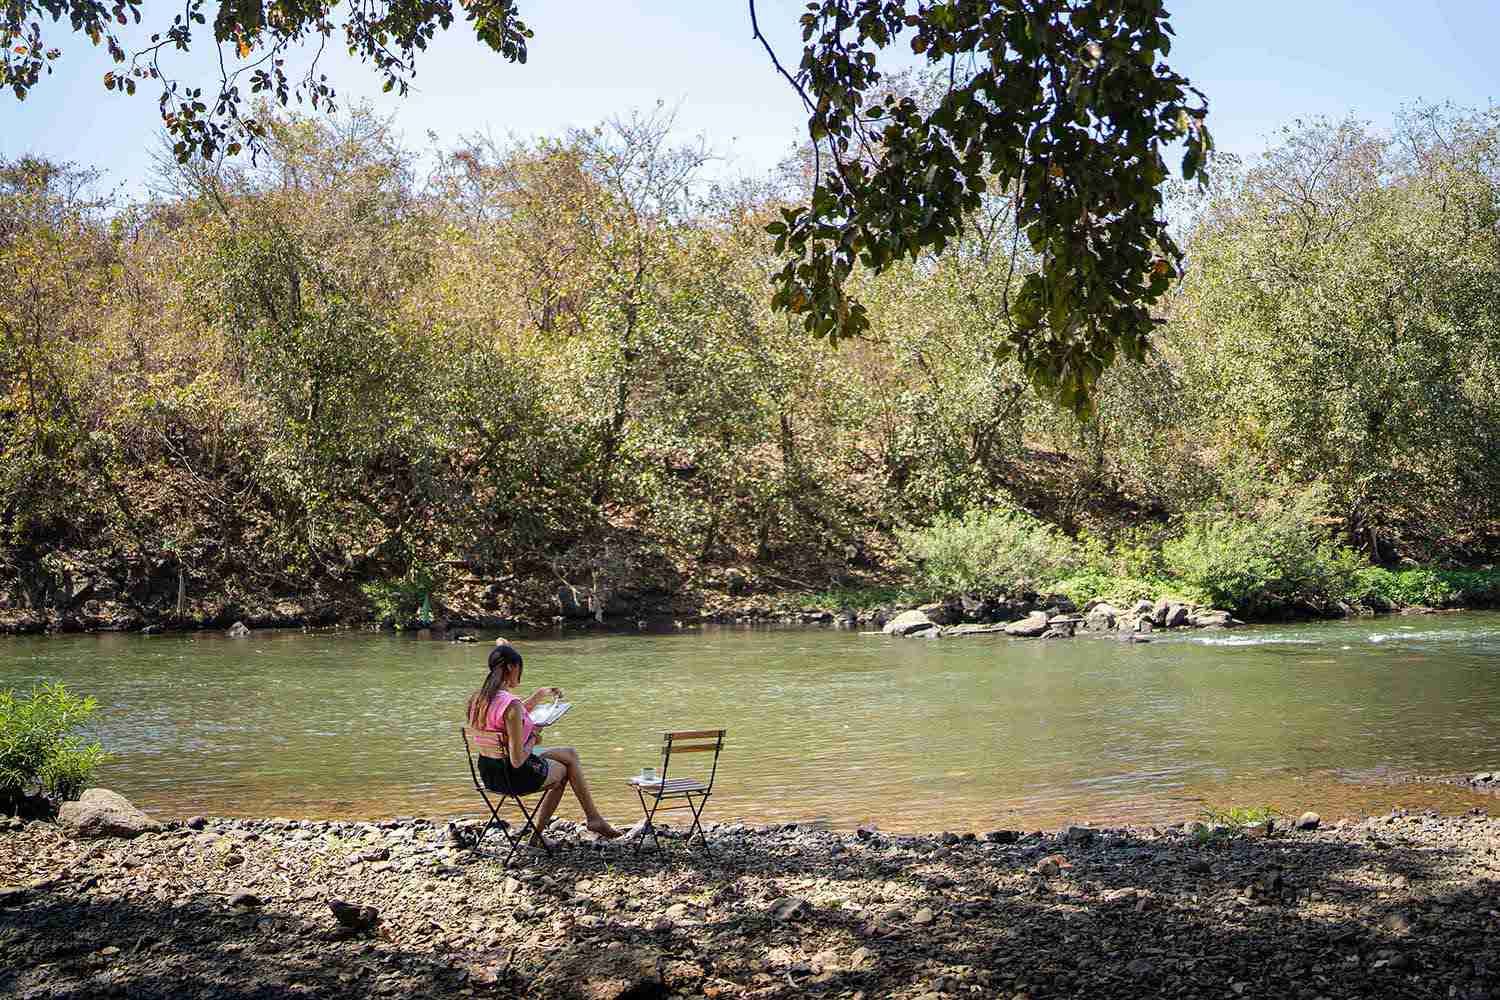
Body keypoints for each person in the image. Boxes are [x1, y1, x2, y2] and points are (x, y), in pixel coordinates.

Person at [466, 638, 622, 845]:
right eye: (520, 668)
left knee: (570, 754)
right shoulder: (510, 704)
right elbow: (517, 760)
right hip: (515, 776)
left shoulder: (478, 699)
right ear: (512, 667)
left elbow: (514, 714)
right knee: (566, 771)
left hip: (489, 773)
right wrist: (533, 738)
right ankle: (540, 835)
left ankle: (594, 818)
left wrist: (541, 694)